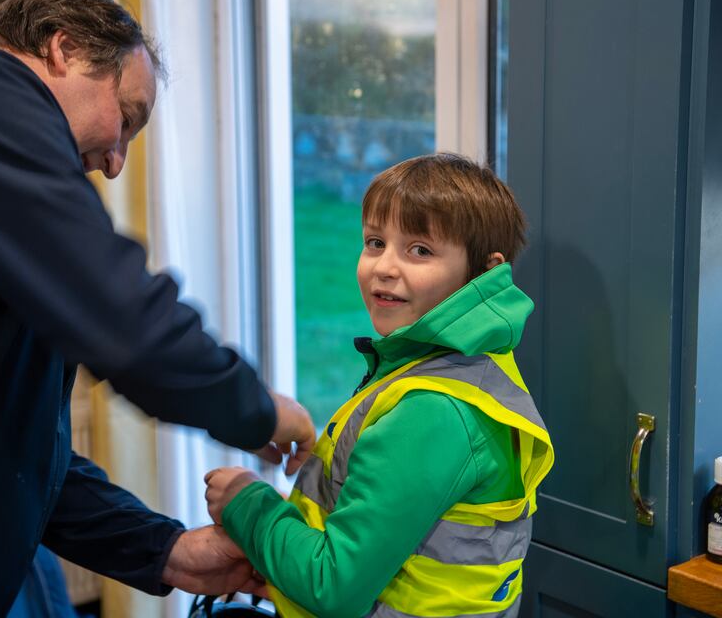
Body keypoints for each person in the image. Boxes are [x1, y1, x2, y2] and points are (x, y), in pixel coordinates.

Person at [0, 0, 315, 615]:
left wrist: (166, 550)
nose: (113, 162)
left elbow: (11, 449)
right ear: (63, 48)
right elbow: (123, 322)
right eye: (125, 119)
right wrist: (259, 411)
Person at [205, 153, 556, 618]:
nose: (384, 267)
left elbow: (334, 588)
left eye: (420, 250)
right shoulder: (464, 363)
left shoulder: (433, 410)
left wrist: (246, 502)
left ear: (484, 272)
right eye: (375, 242)